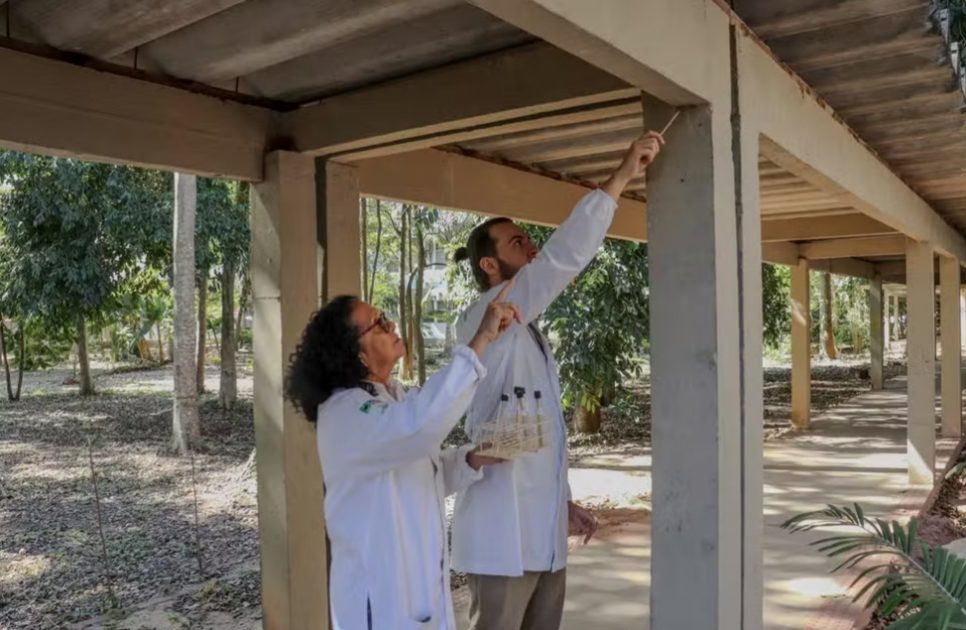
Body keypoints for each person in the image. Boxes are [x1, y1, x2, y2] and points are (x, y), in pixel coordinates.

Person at [450, 131, 664, 630]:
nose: (532, 246)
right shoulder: (488, 315)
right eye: (517, 241)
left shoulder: (524, 327)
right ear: (489, 264)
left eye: (529, 237)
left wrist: (562, 501)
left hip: (542, 533)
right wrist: (624, 173)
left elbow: (539, 430)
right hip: (502, 536)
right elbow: (565, 257)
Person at [285, 282, 521, 630]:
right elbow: (419, 425)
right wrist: (480, 340)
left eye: (384, 317)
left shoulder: (389, 399)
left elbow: (419, 474)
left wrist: (472, 459)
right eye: (377, 324)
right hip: (379, 605)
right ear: (356, 353)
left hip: (416, 594)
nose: (391, 325)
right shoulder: (347, 413)